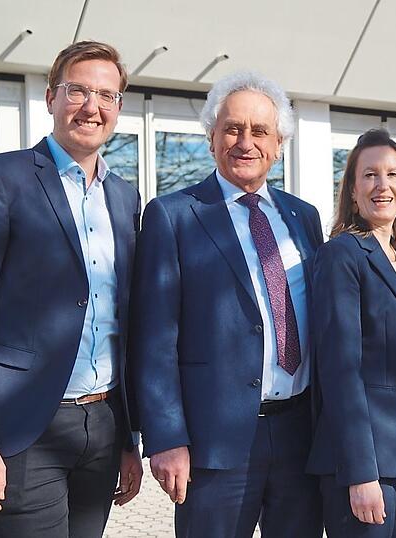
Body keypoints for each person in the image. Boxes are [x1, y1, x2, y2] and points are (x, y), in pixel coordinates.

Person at [0, 41, 143, 537]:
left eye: (106, 95)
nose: (91, 106)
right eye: (78, 91)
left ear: (118, 108)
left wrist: (128, 439)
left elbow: (127, 321)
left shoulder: (124, 198)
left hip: (102, 424)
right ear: (52, 97)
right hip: (25, 429)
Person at [129, 71, 323, 537]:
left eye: (260, 131)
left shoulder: (304, 217)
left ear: (279, 144)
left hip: (301, 435)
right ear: (212, 137)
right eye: (232, 128)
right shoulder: (173, 216)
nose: (245, 142)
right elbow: (154, 338)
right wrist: (167, 437)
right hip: (214, 444)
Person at [307, 128, 396, 537]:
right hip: (368, 466)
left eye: (392, 175)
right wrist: (360, 474)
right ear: (352, 191)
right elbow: (340, 372)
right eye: (369, 175)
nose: (381, 185)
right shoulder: (341, 255)